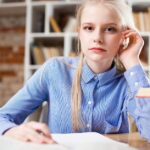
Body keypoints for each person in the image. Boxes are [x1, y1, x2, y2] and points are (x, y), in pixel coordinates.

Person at [0, 0, 150, 144]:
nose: (97, 38)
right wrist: (12, 131)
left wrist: (132, 62)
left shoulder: (130, 81)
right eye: (89, 28)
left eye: (110, 29)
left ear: (124, 36)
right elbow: (3, 117)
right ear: (79, 33)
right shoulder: (54, 70)